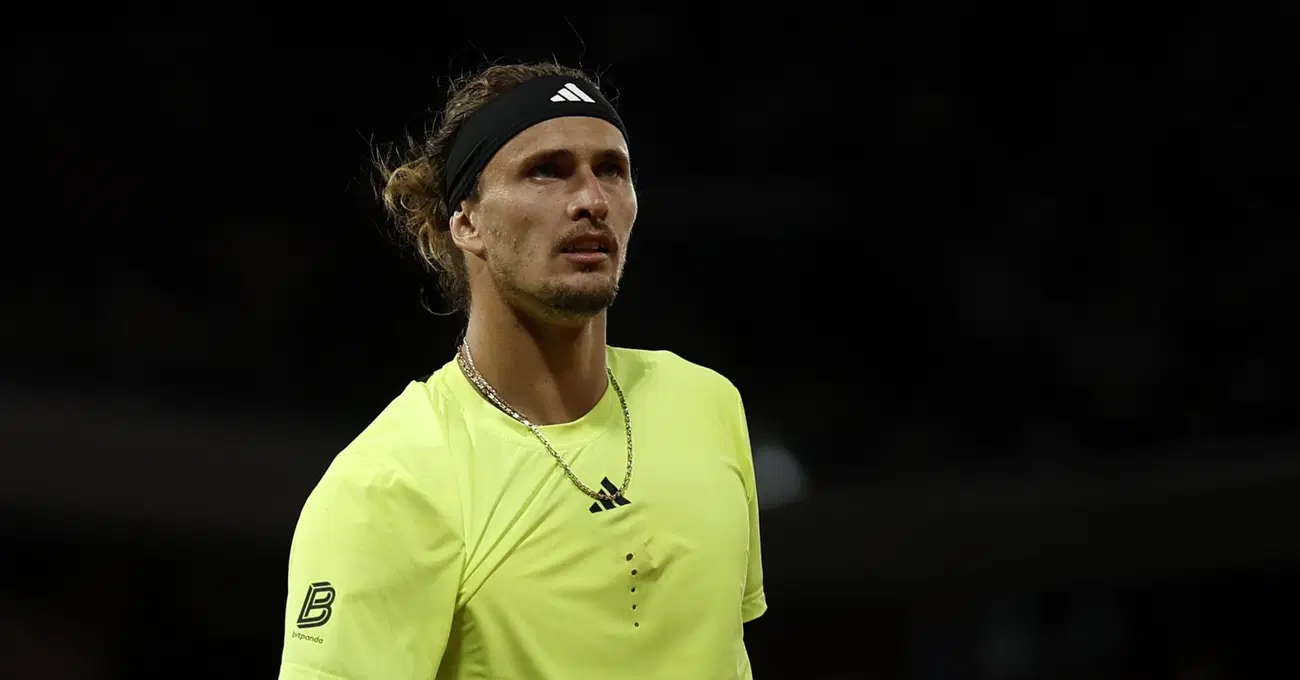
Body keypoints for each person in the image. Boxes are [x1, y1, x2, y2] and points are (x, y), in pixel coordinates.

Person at [277, 62, 766, 679]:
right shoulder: (388, 483)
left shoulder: (706, 403)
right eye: (547, 171)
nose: (592, 201)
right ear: (466, 222)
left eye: (611, 170)